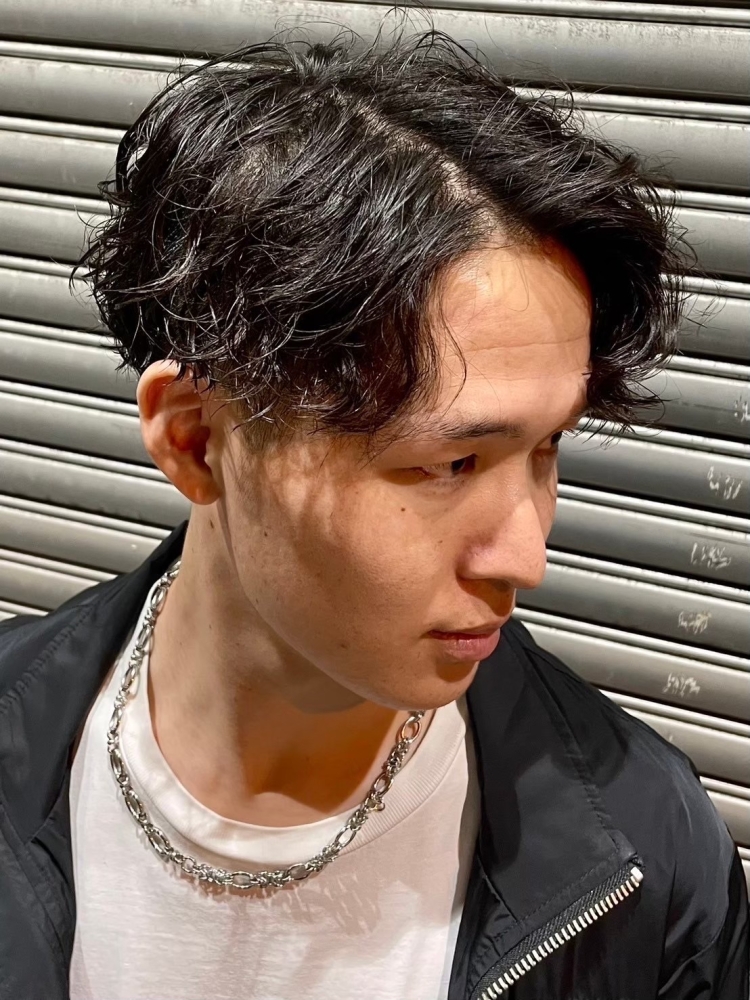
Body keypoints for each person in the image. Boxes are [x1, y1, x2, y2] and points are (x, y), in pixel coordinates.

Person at [0, 27, 747, 1000]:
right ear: (195, 440)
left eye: (547, 448)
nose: (525, 556)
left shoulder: (652, 862)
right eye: (449, 464)